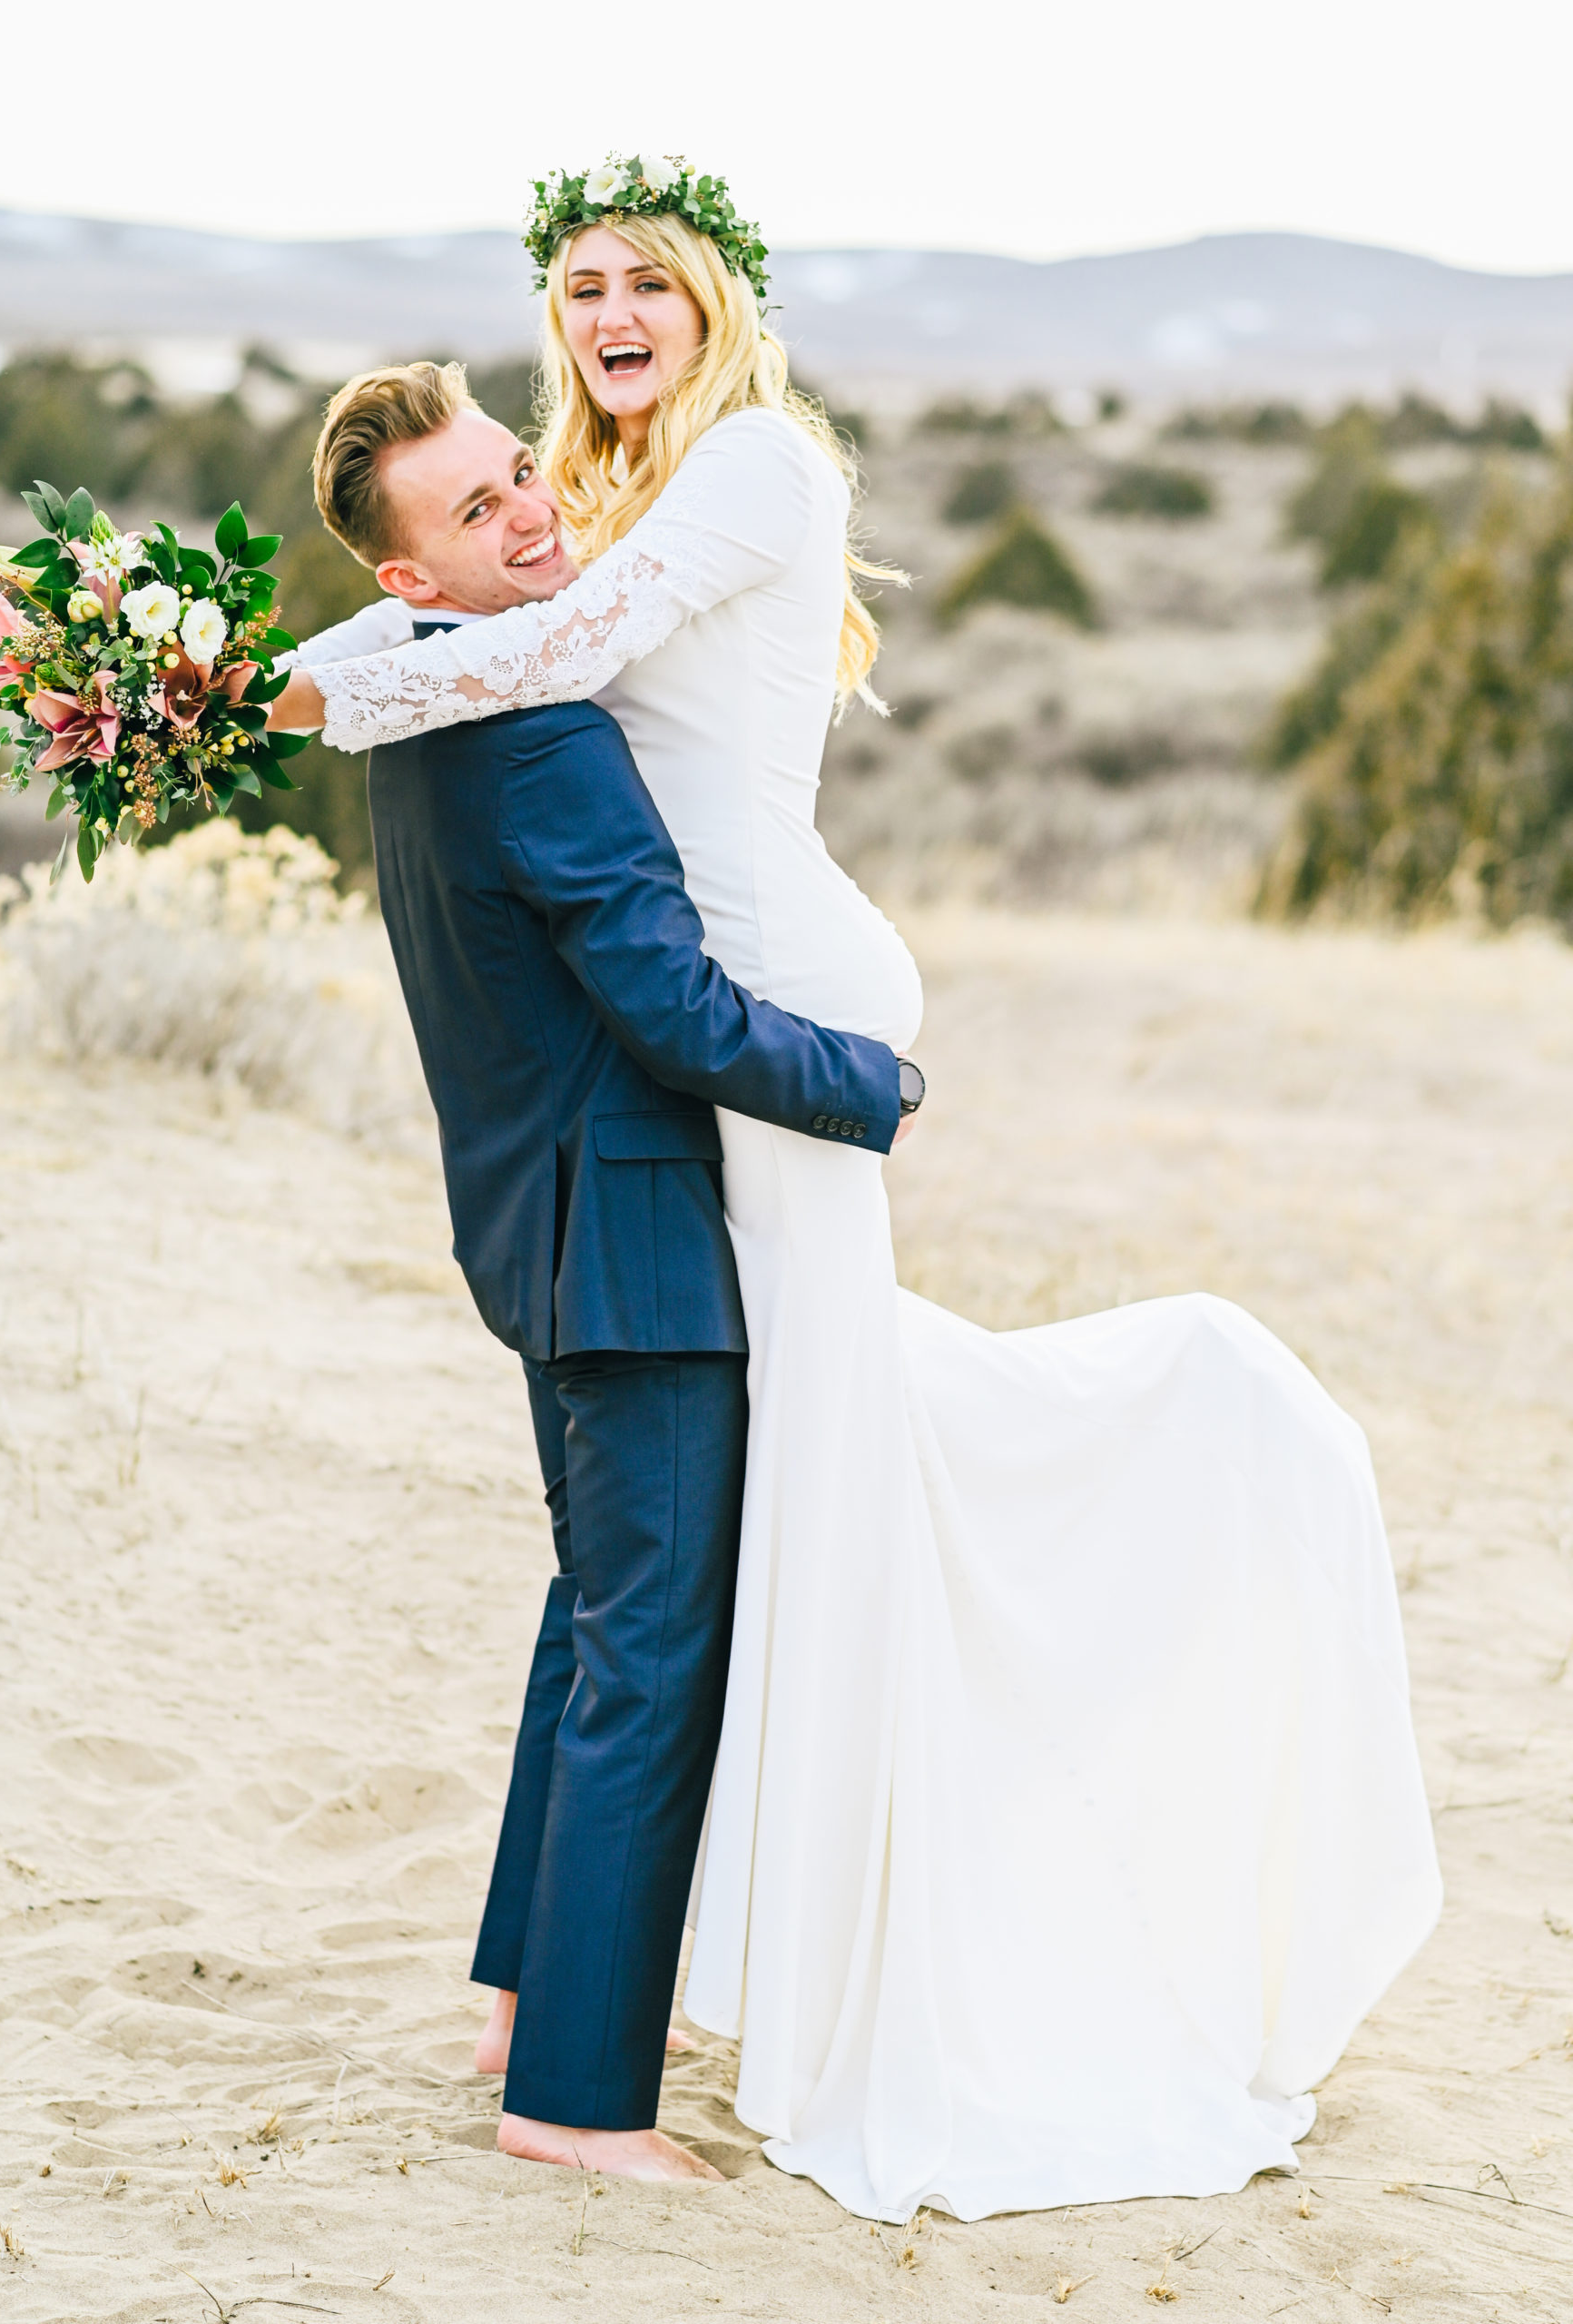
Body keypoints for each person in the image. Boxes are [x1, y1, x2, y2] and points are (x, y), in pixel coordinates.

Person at [275, 157, 1442, 2225]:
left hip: (758, 1046)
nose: (608, 310)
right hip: (716, 1080)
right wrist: (213, 675)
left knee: (719, 1530)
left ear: (715, 294)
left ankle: (601, 1996)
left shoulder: (740, 475)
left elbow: (543, 637)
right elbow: (500, 636)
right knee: (683, 1558)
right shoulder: (577, 524)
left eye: (643, 274)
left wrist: (238, 683)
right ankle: (563, 2024)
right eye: (577, 284)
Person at [296, 358, 904, 2182]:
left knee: (592, 1619)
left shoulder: (416, 711)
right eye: (477, 510)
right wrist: (869, 1081)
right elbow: (667, 999)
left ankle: (515, 1990)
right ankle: (570, 2098)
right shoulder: (537, 730)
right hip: (628, 1236)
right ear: (413, 579)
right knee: (652, 1653)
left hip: (541, 1226)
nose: (529, 508)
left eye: (517, 470)